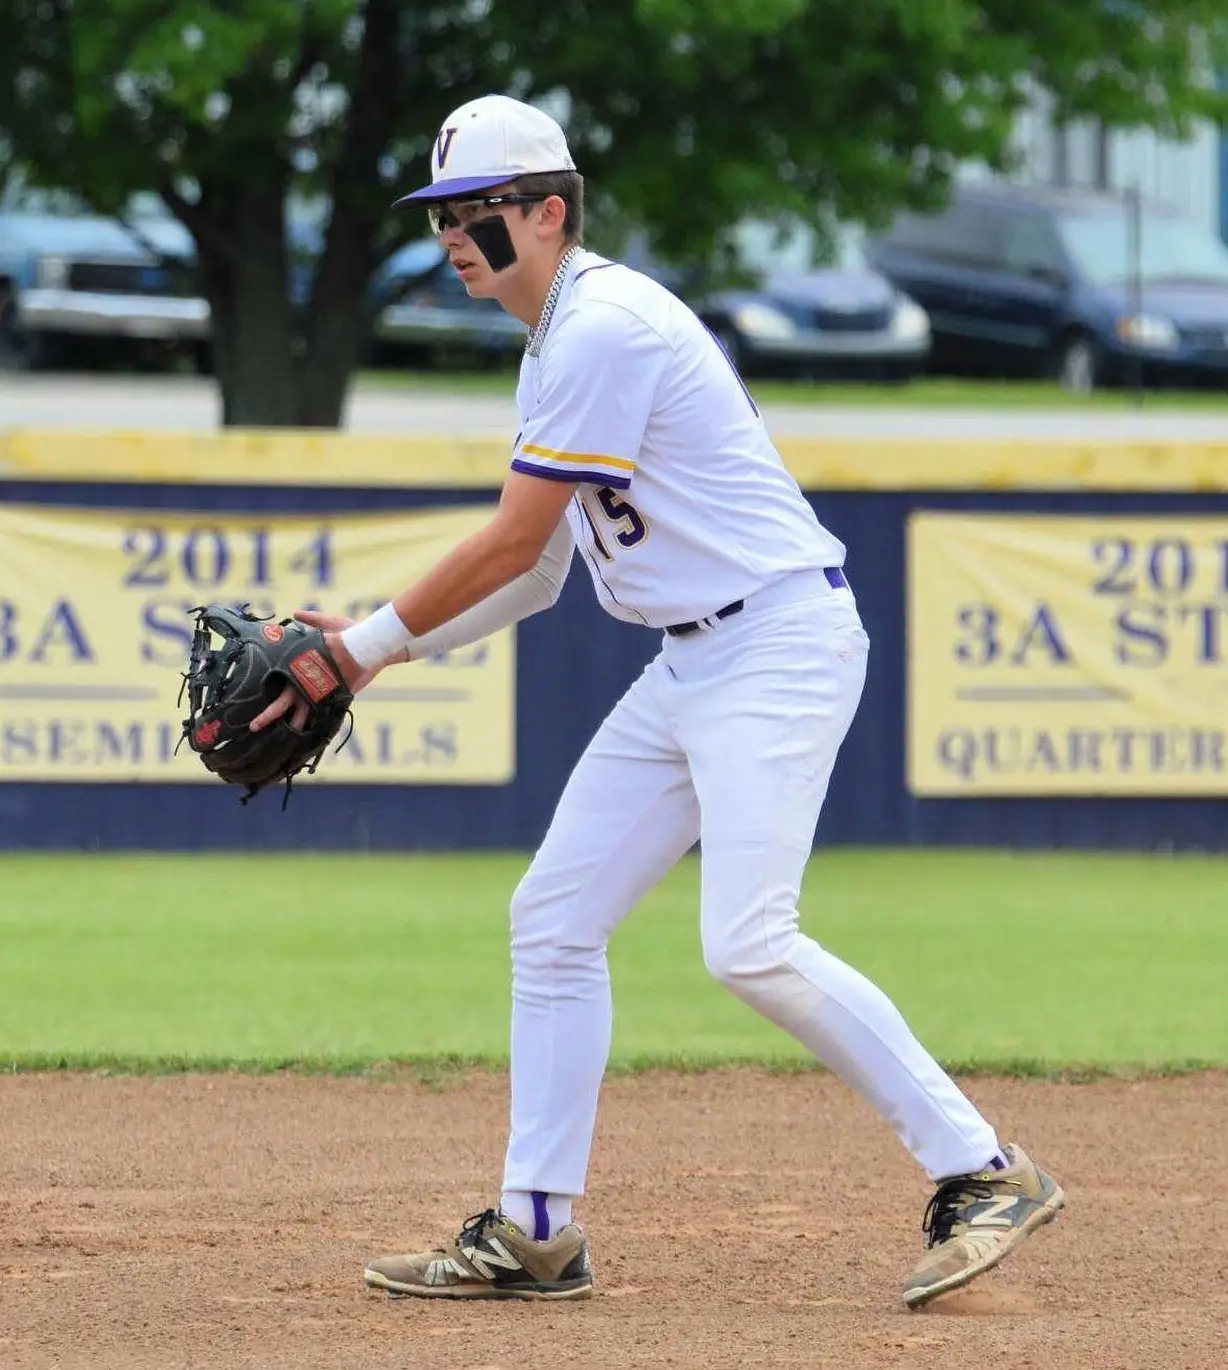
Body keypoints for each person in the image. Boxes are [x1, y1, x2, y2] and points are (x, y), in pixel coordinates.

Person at [252, 93, 1065, 1308]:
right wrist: (373, 655)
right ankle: (536, 1229)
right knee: (553, 918)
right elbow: (537, 573)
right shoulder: (554, 342)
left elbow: (510, 537)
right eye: (442, 216)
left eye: (477, 212)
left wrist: (359, 645)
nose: (454, 237)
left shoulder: (603, 329)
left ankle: (984, 1165)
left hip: (774, 643)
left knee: (747, 940)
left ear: (549, 211)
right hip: (693, 662)